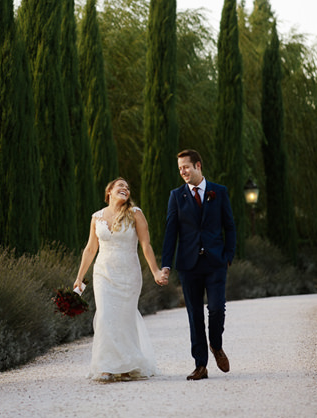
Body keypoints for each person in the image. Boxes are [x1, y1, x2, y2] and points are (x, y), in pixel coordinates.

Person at [74, 177, 162, 382]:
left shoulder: (135, 214)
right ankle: (106, 366)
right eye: (120, 186)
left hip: (129, 274)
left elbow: (146, 246)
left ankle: (127, 365)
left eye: (128, 187)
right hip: (103, 273)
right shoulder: (97, 217)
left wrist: (156, 271)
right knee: (105, 316)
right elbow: (90, 249)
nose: (125, 189)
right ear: (109, 192)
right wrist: (79, 277)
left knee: (124, 318)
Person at [161, 149, 236, 381]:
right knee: (194, 315)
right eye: (180, 168)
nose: (183, 171)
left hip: (215, 263)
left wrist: (228, 256)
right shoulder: (176, 196)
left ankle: (216, 345)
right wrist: (166, 265)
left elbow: (230, 226)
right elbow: (170, 233)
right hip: (188, 264)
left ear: (198, 166)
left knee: (216, 308)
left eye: (186, 167)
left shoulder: (219, 192)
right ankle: (200, 365)